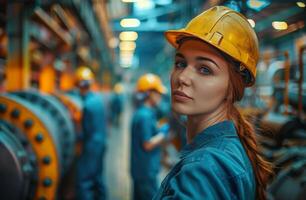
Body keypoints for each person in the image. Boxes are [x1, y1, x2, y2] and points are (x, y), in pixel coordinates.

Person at [153, 6, 273, 200]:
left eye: (205, 69)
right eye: (181, 64)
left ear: (232, 86)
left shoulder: (204, 170)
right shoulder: (227, 151)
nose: (182, 77)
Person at [131, 73, 170, 200]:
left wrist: (157, 129)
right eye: (157, 93)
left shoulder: (143, 112)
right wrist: (163, 133)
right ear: (149, 93)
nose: (159, 96)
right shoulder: (145, 116)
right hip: (146, 171)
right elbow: (147, 144)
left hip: (140, 169)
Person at [75, 66, 107, 200]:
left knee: (84, 180)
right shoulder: (98, 100)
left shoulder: (87, 105)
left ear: (81, 84)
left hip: (91, 146)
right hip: (101, 143)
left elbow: (86, 132)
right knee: (97, 177)